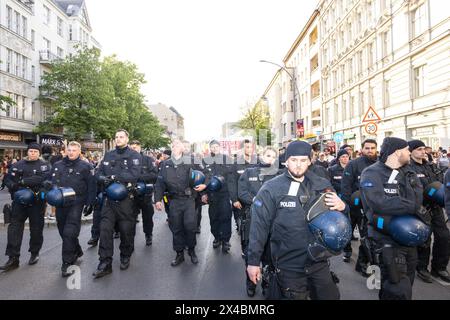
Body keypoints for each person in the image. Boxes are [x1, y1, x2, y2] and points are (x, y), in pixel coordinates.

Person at [247, 141, 347, 300]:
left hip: (318, 260)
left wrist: (343, 207)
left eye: (303, 160)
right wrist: (253, 262)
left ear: (309, 161)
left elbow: (339, 220)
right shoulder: (271, 188)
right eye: (294, 160)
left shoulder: (322, 184)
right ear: (286, 161)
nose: (298, 165)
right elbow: (259, 227)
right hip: (288, 264)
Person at [360, 137, 429, 300]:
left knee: (405, 284)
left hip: (409, 237)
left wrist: (407, 206)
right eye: (406, 150)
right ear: (397, 152)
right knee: (398, 288)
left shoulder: (409, 172)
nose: (409, 152)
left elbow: (418, 199)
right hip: (385, 238)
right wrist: (411, 207)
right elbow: (379, 203)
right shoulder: (372, 173)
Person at [93, 129, 142, 278]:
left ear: (127, 139)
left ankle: (125, 254)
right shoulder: (108, 155)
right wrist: (103, 179)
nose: (118, 139)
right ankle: (105, 262)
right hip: (109, 200)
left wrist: (113, 177)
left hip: (126, 199)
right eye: (116, 137)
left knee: (126, 230)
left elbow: (134, 175)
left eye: (121, 137)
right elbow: (98, 173)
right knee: (105, 230)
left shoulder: (134, 155)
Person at [154, 139, 207, 266]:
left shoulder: (192, 160)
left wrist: (205, 185)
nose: (175, 146)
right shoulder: (165, 164)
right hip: (174, 201)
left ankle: (192, 251)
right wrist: (157, 199)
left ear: (183, 148)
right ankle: (179, 254)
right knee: (176, 227)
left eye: (178, 144)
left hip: (189, 200)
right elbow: (160, 183)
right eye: (173, 145)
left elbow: (206, 173)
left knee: (190, 226)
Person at [0, 143, 51, 271]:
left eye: (35, 151)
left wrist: (25, 182)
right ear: (27, 152)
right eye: (30, 151)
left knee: (36, 229)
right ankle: (13, 258)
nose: (32, 153)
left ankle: (34, 253)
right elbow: (8, 179)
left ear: (39, 153)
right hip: (19, 202)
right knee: (14, 229)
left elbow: (45, 180)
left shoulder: (45, 166)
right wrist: (13, 186)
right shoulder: (18, 165)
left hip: (36, 202)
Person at [238, 146, 280, 297]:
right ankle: (251, 283)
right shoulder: (249, 172)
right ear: (261, 155)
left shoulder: (279, 174)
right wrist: (256, 200)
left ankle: (267, 283)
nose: (270, 159)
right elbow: (242, 192)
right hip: (253, 218)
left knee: (270, 256)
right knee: (252, 254)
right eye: (268, 155)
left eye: (273, 157)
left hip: (273, 221)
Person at [50, 141, 96, 277]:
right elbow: (51, 181)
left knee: (70, 231)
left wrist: (90, 203)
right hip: (60, 202)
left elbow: (92, 186)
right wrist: (48, 186)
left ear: (79, 152)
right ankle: (76, 249)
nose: (71, 152)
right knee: (62, 230)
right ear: (65, 150)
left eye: (74, 150)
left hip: (77, 202)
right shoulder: (58, 165)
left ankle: (67, 262)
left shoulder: (86, 166)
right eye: (69, 150)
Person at [407, 140, 450, 283]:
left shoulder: (430, 165)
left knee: (444, 237)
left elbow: (439, 184)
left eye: (423, 149)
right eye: (419, 149)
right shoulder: (407, 168)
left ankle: (439, 267)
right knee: (424, 239)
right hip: (421, 209)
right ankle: (422, 267)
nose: (422, 151)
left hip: (436, 207)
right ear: (411, 151)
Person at [341, 139, 378, 275]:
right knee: (348, 232)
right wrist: (347, 205)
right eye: (367, 148)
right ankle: (347, 250)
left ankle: (363, 263)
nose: (370, 151)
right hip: (354, 206)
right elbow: (346, 186)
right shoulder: (353, 164)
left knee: (367, 237)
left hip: (370, 208)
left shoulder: (380, 164)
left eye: (372, 148)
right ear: (361, 149)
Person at [202, 140, 235, 253]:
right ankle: (217, 237)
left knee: (225, 217)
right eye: (213, 147)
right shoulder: (205, 160)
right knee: (214, 218)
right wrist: (203, 194)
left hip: (224, 194)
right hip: (212, 195)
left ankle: (225, 240)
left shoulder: (227, 159)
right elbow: (202, 178)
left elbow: (231, 178)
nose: (215, 148)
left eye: (216, 146)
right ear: (210, 148)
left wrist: (233, 195)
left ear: (220, 147)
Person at [129, 141, 158, 246]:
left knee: (147, 217)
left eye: (135, 147)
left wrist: (138, 178)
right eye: (131, 147)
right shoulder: (126, 160)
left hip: (145, 194)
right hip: (130, 195)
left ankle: (148, 235)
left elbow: (154, 175)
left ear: (140, 148)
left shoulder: (148, 160)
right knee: (130, 218)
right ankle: (129, 239)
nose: (133, 149)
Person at [229, 139, 258, 233]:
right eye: (247, 147)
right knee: (243, 229)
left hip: (256, 201)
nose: (249, 149)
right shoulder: (235, 164)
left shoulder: (258, 162)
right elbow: (232, 183)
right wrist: (234, 200)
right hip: (241, 203)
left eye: (251, 147)